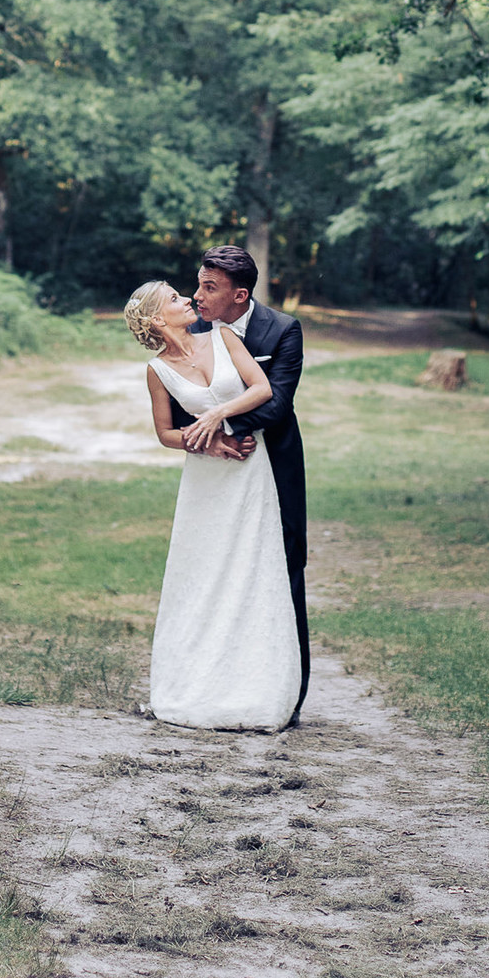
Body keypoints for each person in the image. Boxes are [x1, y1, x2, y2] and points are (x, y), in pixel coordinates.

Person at [124, 280, 301, 731]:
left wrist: (218, 416)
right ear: (157, 319)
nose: (188, 299)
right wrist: (208, 444)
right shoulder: (157, 370)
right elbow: (165, 433)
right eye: (175, 298)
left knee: (253, 570)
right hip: (205, 482)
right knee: (201, 579)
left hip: (250, 474)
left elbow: (262, 389)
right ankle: (194, 685)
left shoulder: (222, 336)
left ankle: (258, 690)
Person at [176, 246, 309, 717]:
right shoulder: (191, 332)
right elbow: (179, 409)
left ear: (240, 294)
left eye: (209, 288)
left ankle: (289, 693)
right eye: (198, 284)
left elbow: (278, 404)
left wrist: (224, 423)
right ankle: (213, 685)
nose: (197, 296)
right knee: (216, 572)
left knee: (286, 565)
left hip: (275, 465)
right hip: (217, 472)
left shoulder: (283, 330)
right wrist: (211, 441)